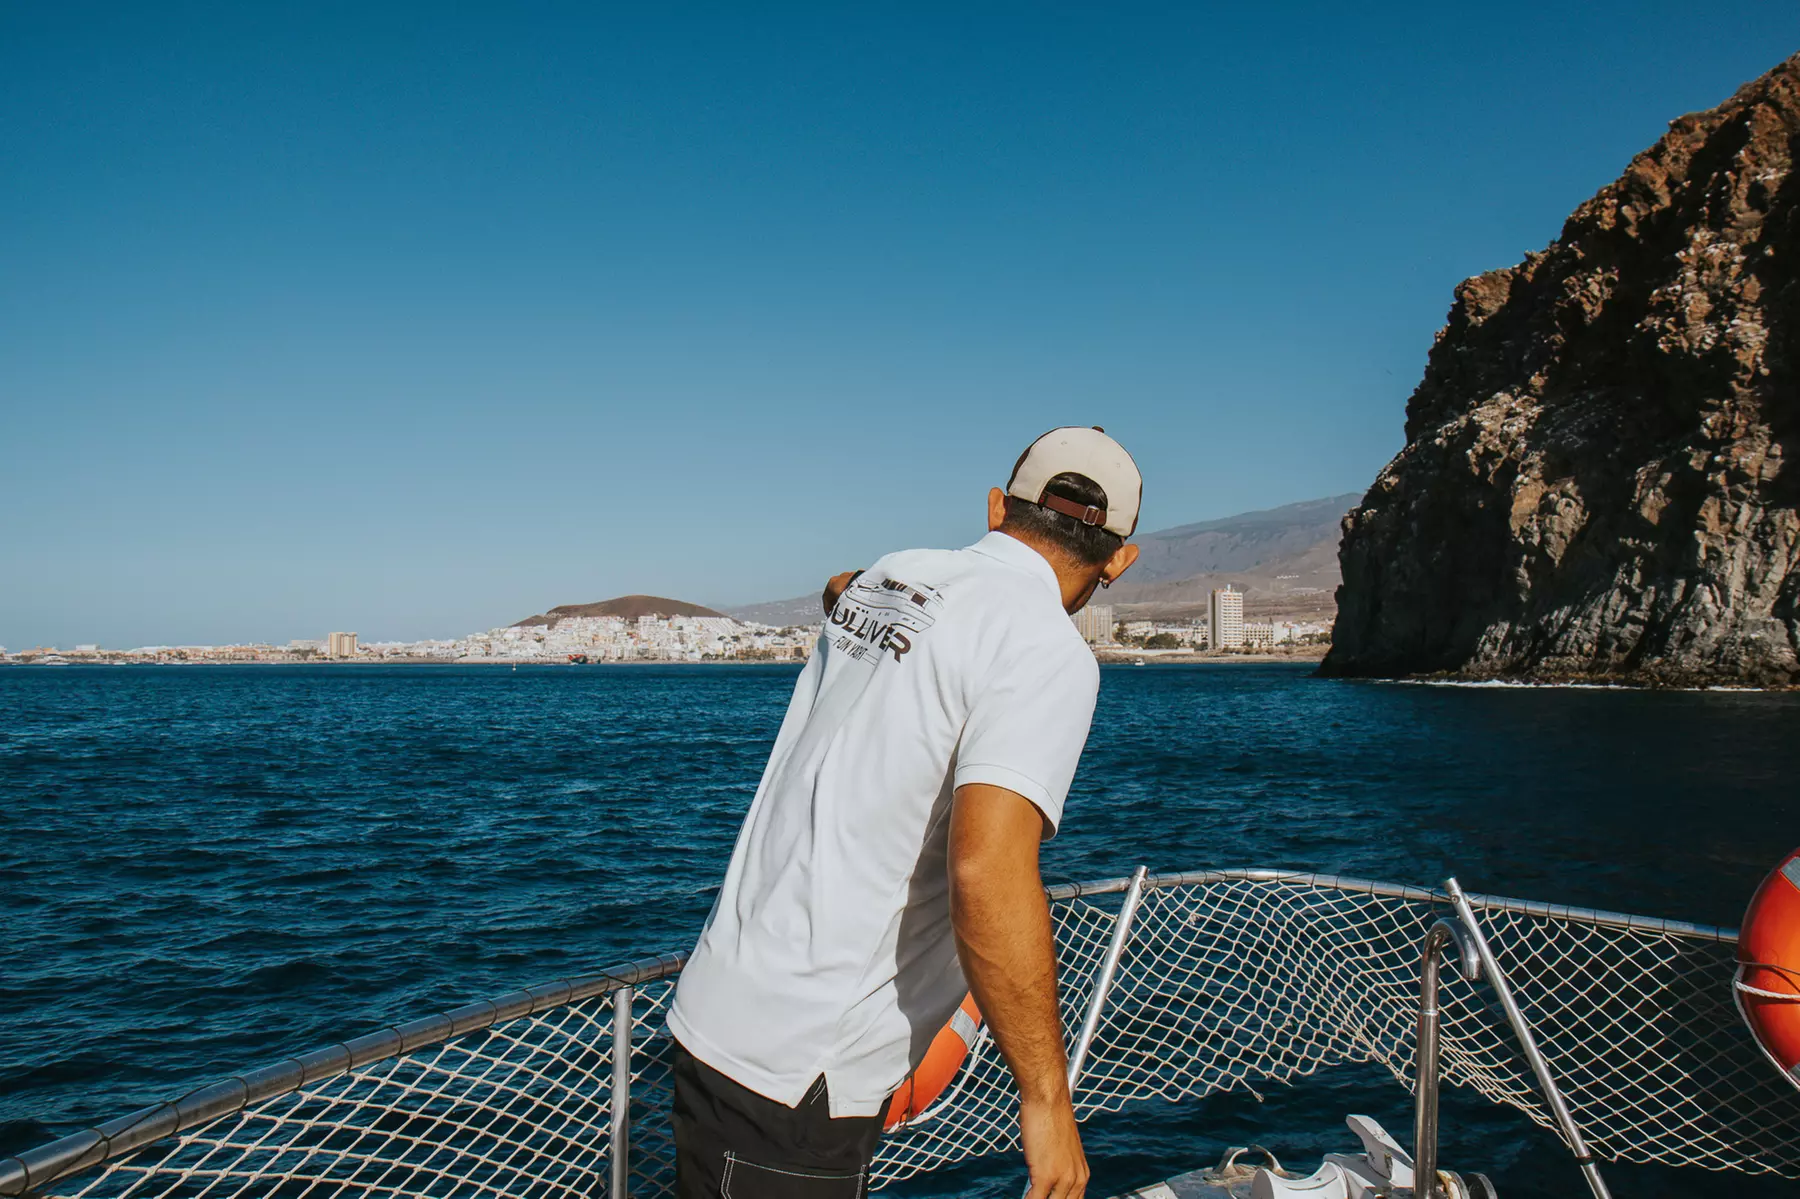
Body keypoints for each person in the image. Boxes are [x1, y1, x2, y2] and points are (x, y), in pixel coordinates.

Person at [668, 427, 1143, 1199]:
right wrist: (1048, 1101)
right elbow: (986, 867)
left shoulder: (892, 574)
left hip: (718, 1012)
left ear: (998, 507)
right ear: (1119, 558)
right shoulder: (1048, 649)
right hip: (801, 1075)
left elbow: (837, 582)